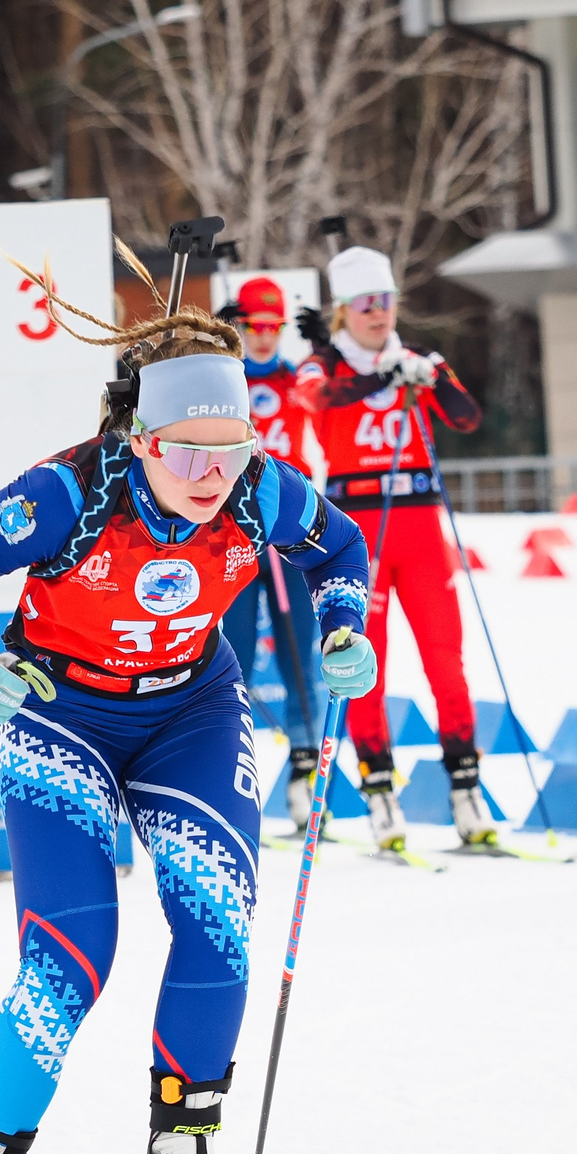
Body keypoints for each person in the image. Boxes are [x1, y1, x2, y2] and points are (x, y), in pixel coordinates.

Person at [0, 260, 374, 1154]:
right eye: (187, 453)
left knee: (216, 916)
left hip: (188, 708)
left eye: (231, 450)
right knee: (71, 959)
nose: (213, 476)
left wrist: (343, 628)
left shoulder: (260, 488)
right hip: (57, 711)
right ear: (139, 439)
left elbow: (342, 551)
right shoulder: (68, 492)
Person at [290, 244, 488, 853]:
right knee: (367, 664)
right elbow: (314, 400)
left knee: (446, 658)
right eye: (366, 305)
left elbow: (466, 417)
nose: (379, 314)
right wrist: (383, 378)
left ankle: (465, 788)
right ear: (345, 310)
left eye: (387, 302)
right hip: (360, 532)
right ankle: (379, 789)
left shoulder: (419, 357)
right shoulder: (323, 364)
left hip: (422, 526)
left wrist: (433, 376)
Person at [216, 276, 328, 821]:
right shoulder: (224, 379)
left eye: (273, 327)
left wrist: (325, 349)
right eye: (253, 327)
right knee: (232, 659)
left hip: (284, 535)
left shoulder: (294, 378)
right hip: (234, 535)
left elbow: (325, 394)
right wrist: (210, 343)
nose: (263, 338)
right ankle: (228, 770)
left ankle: (306, 779)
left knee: (297, 654)